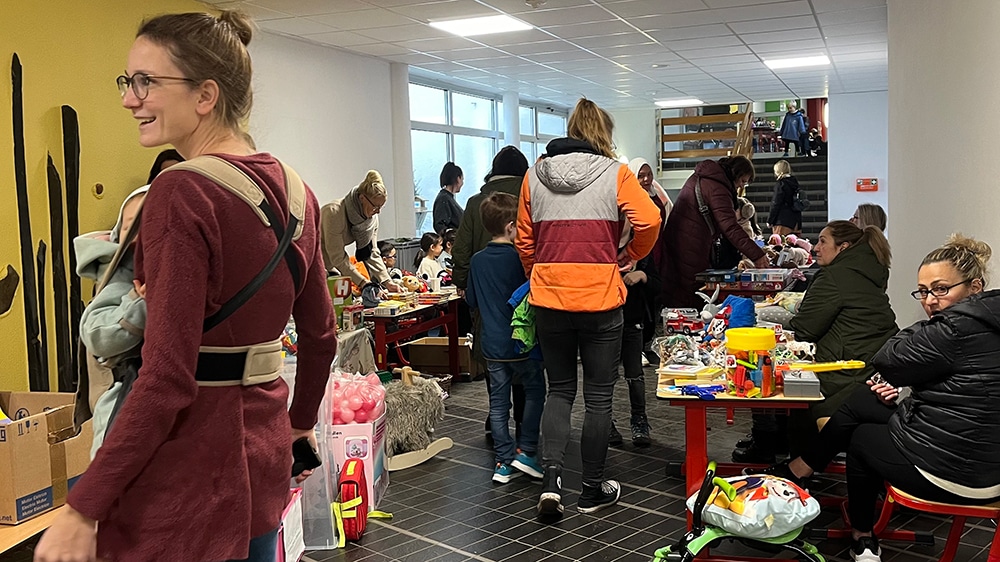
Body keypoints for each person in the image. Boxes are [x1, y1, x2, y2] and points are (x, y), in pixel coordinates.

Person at [35, 11, 338, 562]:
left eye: (145, 82)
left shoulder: (180, 191)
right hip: (261, 463)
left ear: (205, 96)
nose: (130, 98)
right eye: (127, 81)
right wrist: (296, 427)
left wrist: (84, 506)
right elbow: (320, 338)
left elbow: (168, 378)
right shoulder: (298, 193)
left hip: (186, 484)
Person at [762, 234, 1000, 562]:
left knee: (860, 437)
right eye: (924, 291)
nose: (930, 300)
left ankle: (862, 536)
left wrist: (923, 327)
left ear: (975, 287)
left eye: (942, 289)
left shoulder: (952, 329)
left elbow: (886, 357)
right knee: (865, 400)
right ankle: (801, 469)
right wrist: (903, 390)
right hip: (992, 471)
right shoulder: (987, 323)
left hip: (955, 475)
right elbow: (959, 385)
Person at [517, 98, 660, 517]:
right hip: (600, 300)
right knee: (599, 397)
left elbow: (525, 242)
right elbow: (650, 219)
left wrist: (538, 273)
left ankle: (551, 485)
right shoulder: (616, 174)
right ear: (604, 133)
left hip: (549, 300)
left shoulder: (532, 177)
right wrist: (629, 254)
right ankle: (592, 489)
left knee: (559, 391)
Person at [787, 221, 897, 449]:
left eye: (823, 241)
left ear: (843, 247)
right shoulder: (870, 272)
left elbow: (805, 330)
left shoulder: (833, 277)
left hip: (845, 375)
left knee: (789, 388)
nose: (816, 248)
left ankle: (790, 463)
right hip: (872, 369)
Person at [452, 146, 531, 444]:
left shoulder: (475, 203)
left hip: (485, 299)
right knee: (524, 361)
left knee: (492, 361)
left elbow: (461, 250)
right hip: (525, 297)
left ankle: (496, 418)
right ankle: (525, 423)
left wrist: (464, 283)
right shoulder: (530, 198)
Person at [466, 192, 546, 484]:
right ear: (512, 227)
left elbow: (472, 299)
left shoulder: (477, 261)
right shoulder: (520, 259)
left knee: (498, 405)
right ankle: (527, 451)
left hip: (492, 345)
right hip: (522, 343)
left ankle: (503, 461)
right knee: (536, 391)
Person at [73, 186, 148, 458]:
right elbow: (96, 334)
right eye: (133, 225)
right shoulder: (120, 275)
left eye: (152, 221)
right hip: (121, 402)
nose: (142, 234)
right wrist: (140, 303)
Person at [661, 155, 769, 309]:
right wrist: (757, 254)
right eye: (742, 181)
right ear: (736, 173)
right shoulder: (717, 187)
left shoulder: (709, 178)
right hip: (690, 243)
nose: (741, 187)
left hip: (684, 239)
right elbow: (729, 226)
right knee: (692, 290)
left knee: (682, 287)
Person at [608, 222, 660, 448]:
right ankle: (605, 421)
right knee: (605, 377)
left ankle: (639, 421)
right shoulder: (604, 246)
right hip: (605, 320)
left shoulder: (642, 251)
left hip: (632, 320)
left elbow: (659, 284)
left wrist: (642, 276)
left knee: (635, 376)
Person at [321, 170, 402, 294]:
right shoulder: (334, 213)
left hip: (332, 266)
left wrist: (387, 281)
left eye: (381, 207)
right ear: (362, 198)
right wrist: (364, 283)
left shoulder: (371, 219)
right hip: (314, 262)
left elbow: (372, 252)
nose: (378, 211)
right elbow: (337, 256)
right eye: (375, 207)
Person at [767, 159, 803, 236]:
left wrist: (770, 220)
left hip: (782, 221)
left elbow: (776, 203)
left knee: (780, 245)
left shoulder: (781, 184)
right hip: (796, 221)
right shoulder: (795, 183)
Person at [433, 161, 464, 234]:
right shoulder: (444, 199)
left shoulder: (446, 197)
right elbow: (440, 225)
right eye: (462, 179)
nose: (462, 183)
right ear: (458, 178)